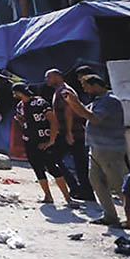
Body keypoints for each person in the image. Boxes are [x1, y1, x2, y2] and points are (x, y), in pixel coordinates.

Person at [63, 74, 128, 227]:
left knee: (118, 185)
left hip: (110, 149)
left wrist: (75, 102)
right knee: (97, 182)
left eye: (86, 86)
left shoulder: (110, 101)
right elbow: (85, 113)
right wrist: (73, 103)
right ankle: (110, 216)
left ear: (95, 85)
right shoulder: (98, 101)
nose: (85, 89)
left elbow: (94, 119)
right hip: (97, 148)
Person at [12, 84, 77, 206]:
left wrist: (51, 140)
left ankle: (67, 198)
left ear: (20, 92)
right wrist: (22, 122)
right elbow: (25, 122)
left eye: (15, 92)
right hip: (29, 140)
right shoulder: (20, 106)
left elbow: (53, 121)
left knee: (53, 168)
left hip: (43, 140)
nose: (14, 95)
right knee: (38, 169)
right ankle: (48, 196)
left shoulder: (40, 103)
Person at [50, 68, 92, 200]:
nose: (47, 80)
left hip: (72, 132)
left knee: (56, 159)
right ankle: (80, 190)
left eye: (49, 77)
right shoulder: (60, 91)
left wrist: (68, 133)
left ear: (57, 77)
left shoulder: (64, 91)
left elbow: (69, 111)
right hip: (68, 132)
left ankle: (81, 190)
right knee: (77, 162)